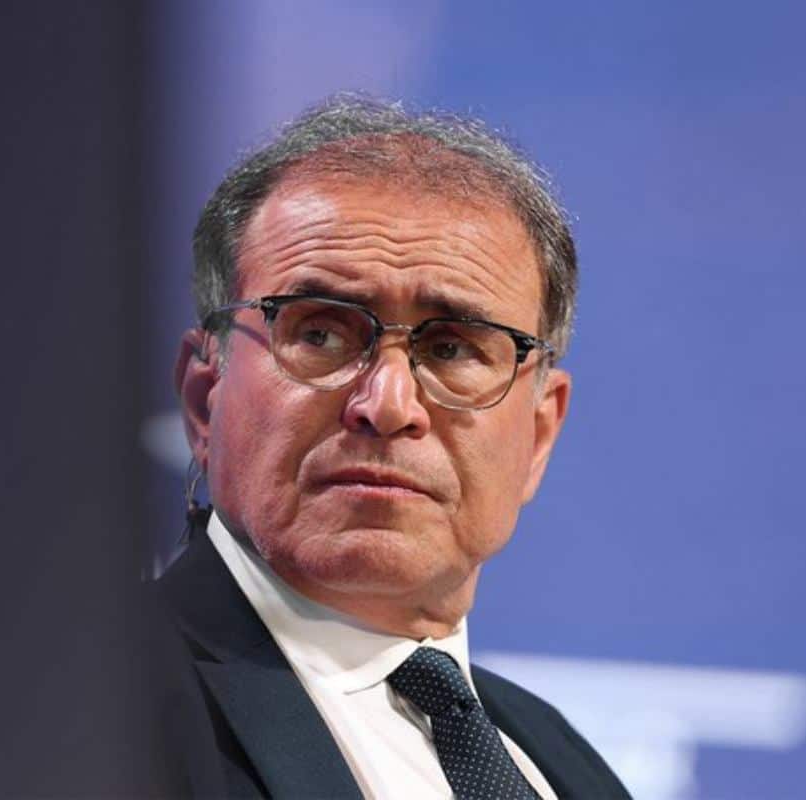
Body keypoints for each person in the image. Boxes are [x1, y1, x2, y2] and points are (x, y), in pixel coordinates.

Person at [161, 94, 630, 799]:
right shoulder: (95, 703)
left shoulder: (563, 762)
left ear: (539, 434)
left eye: (452, 348)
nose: (387, 405)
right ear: (206, 398)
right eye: (321, 333)